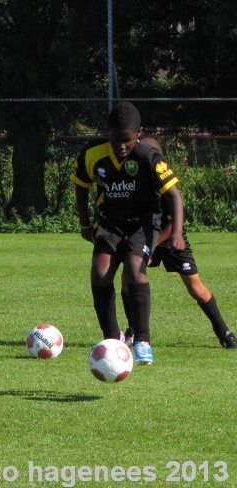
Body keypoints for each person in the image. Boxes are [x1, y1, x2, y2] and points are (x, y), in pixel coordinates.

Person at [72, 101, 184, 365]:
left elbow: (174, 196)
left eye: (127, 140)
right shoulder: (92, 154)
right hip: (110, 223)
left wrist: (176, 232)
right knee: (100, 273)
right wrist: (85, 224)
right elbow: (81, 186)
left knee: (134, 270)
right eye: (115, 139)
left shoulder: (148, 157)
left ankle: (143, 340)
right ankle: (112, 339)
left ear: (138, 134)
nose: (121, 146)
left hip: (143, 224)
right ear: (107, 132)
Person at [119, 137, 237, 349]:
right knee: (129, 277)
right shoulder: (137, 182)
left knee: (195, 287)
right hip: (146, 237)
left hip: (172, 239)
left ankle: (224, 332)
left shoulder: (167, 185)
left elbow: (174, 226)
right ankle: (132, 330)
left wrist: (153, 247)